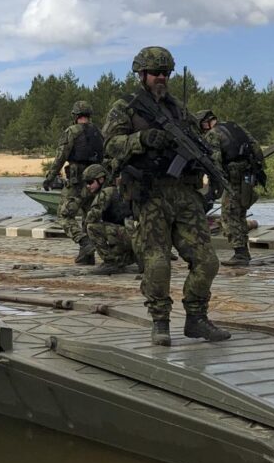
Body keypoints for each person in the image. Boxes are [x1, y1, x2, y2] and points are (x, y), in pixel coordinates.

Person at [103, 46, 229, 346]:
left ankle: (196, 318)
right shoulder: (127, 108)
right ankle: (160, 322)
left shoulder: (177, 109)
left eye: (165, 73)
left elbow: (196, 145)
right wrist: (141, 139)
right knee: (158, 263)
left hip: (185, 194)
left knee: (207, 261)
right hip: (150, 194)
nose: (161, 78)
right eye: (155, 73)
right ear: (142, 74)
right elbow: (109, 145)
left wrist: (211, 175)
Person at [198, 110, 266, 267]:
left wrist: (216, 185)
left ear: (204, 124)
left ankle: (240, 254)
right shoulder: (235, 127)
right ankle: (244, 252)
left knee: (229, 215)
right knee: (240, 213)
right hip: (248, 177)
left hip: (232, 179)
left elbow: (214, 162)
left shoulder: (212, 134)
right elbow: (257, 149)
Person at [44, 101, 104, 265]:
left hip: (77, 181)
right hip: (96, 182)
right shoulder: (99, 133)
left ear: (75, 116)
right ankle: (87, 256)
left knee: (64, 215)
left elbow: (61, 157)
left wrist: (50, 177)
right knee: (88, 217)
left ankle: (84, 242)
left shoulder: (71, 131)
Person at [85, 166, 139, 275]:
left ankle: (110, 263)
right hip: (137, 236)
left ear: (101, 180)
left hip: (126, 235)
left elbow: (91, 218)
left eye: (90, 182)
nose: (88, 186)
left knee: (92, 227)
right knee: (120, 260)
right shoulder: (124, 190)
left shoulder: (107, 192)